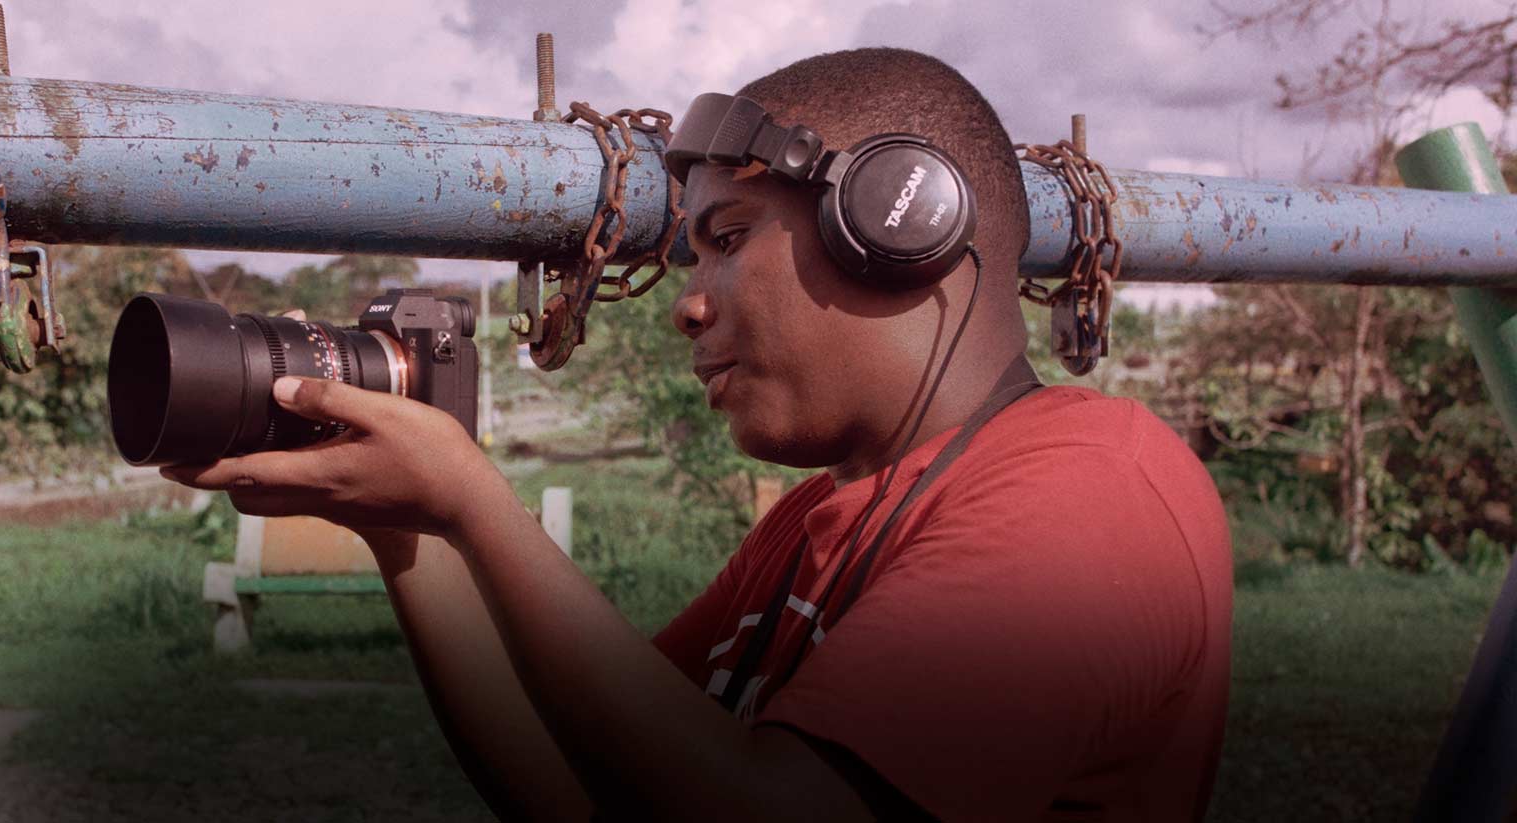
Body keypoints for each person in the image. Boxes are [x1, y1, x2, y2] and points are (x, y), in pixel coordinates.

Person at [163, 47, 1232, 822]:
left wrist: (478, 508)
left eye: (727, 239)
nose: (688, 304)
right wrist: (410, 528)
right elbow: (578, 780)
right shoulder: (817, 520)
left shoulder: (1096, 494)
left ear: (897, 223)